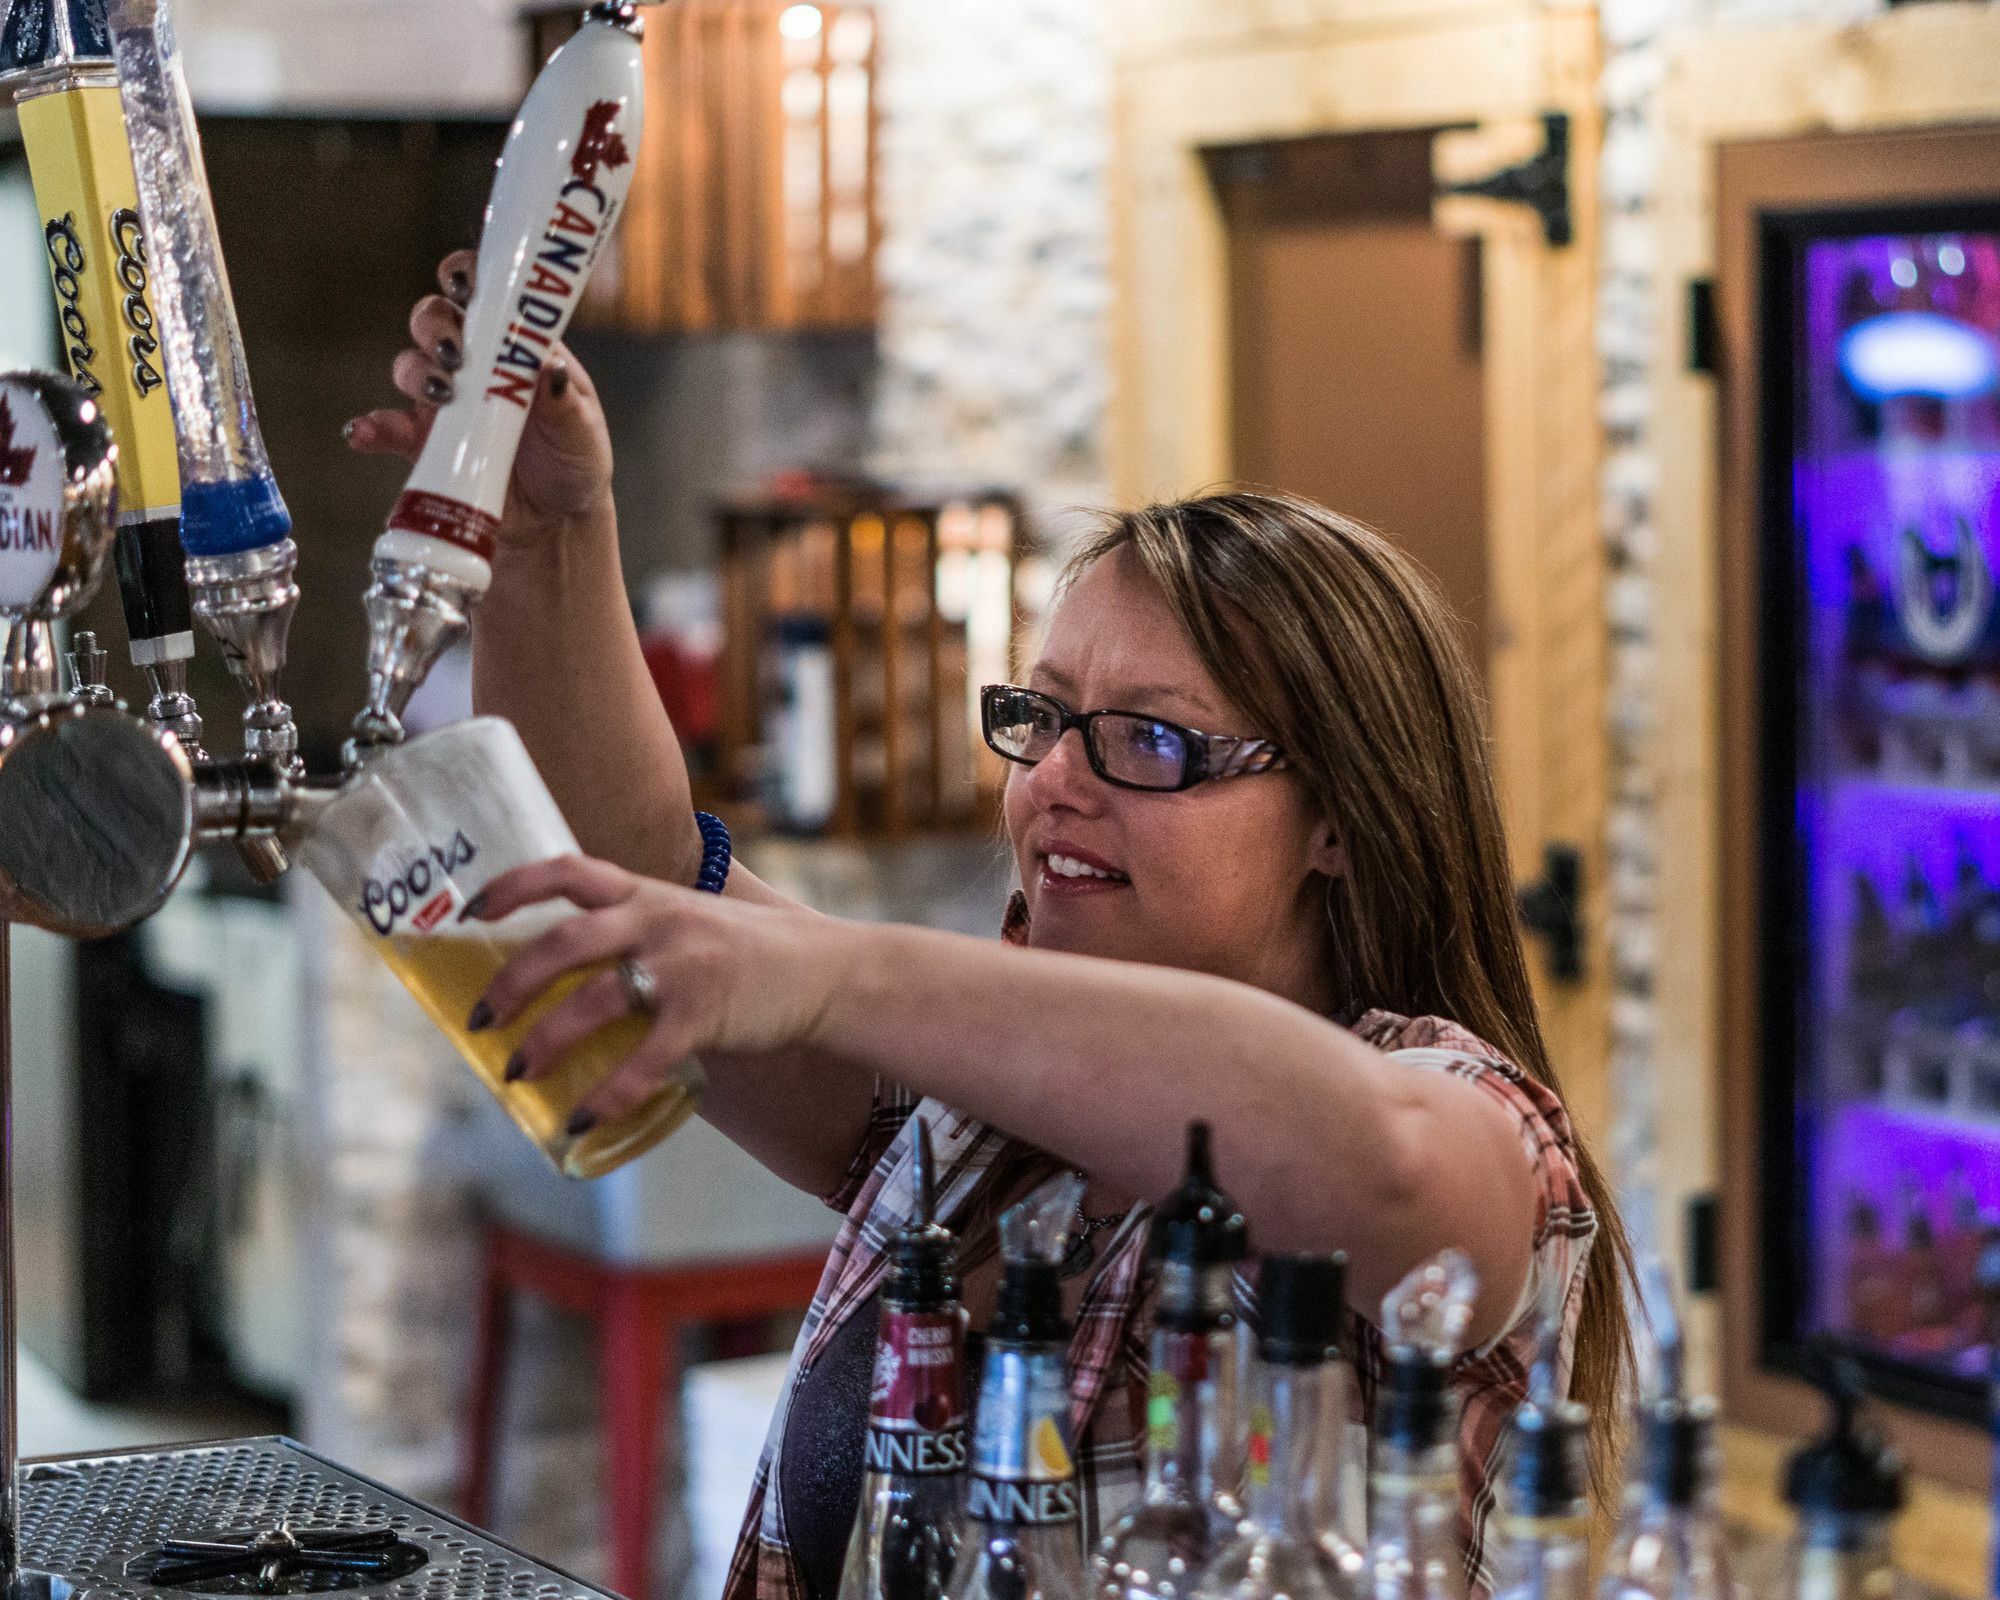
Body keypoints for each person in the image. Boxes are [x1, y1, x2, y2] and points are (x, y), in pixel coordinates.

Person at [347, 252, 1634, 1600]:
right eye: (1045, 717)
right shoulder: (984, 1126)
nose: (1059, 780)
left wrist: (833, 969)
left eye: (1148, 739)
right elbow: (629, 879)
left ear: (1341, 821)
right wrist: (554, 527)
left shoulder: (1468, 1118)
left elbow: (1377, 1165)